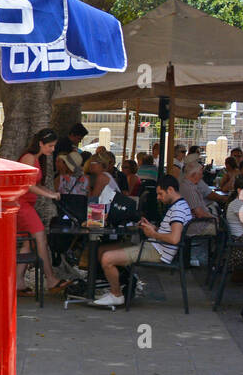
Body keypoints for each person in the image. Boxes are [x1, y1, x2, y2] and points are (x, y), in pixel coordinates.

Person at [93, 174, 191, 307]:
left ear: (170, 190)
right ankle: (122, 283)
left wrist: (153, 234)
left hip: (158, 251)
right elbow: (169, 232)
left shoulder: (178, 209)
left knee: (106, 258)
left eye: (160, 194)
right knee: (101, 250)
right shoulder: (180, 205)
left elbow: (174, 239)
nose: (158, 198)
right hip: (155, 246)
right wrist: (153, 228)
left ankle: (116, 294)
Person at [16, 128, 69, 293]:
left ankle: (18, 283)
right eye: (50, 146)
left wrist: (50, 193)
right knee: (41, 239)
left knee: (27, 244)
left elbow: (35, 185)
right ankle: (51, 279)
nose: (52, 150)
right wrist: (50, 195)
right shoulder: (29, 158)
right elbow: (28, 185)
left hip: (26, 205)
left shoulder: (37, 159)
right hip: (22, 205)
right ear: (40, 143)